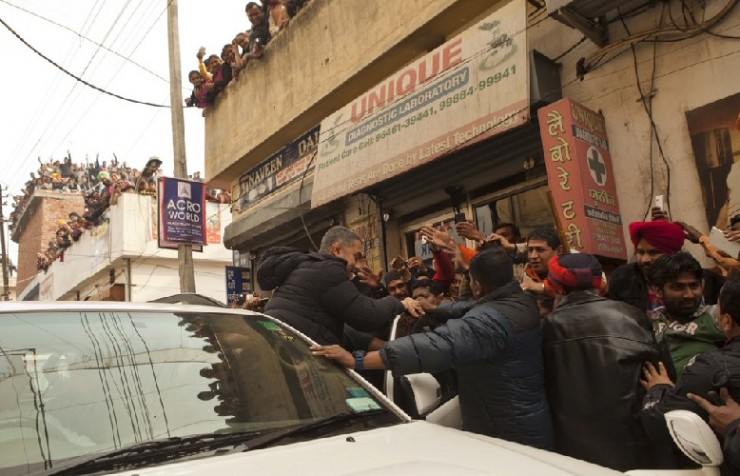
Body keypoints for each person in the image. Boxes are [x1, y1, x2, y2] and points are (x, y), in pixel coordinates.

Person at [312, 247, 553, 450]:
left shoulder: (487, 324)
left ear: (477, 284)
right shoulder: (519, 301)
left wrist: (358, 361)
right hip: (523, 418)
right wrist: (435, 309)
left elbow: (434, 346)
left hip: (507, 432)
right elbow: (468, 307)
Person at [542, 253, 660, 471]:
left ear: (558, 288)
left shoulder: (547, 327)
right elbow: (660, 376)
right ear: (600, 283)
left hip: (573, 450)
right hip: (632, 442)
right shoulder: (632, 315)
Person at [641, 273, 740, 474]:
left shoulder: (712, 367)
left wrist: (659, 390)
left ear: (726, 321)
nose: (688, 295)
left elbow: (661, 423)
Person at [257, 226, 422, 345]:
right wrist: (401, 303)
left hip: (285, 342)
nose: (357, 265)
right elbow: (365, 316)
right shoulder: (328, 269)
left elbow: (346, 330)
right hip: (294, 346)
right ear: (336, 249)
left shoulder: (310, 267)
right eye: (355, 256)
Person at [609, 220, 724, 318]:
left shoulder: (708, 281)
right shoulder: (623, 279)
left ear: (673, 253)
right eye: (640, 252)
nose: (645, 259)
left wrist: (704, 241)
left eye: (654, 252)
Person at [650, 252, 725, 381]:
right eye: (678, 287)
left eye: (694, 285)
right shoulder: (648, 325)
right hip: (664, 395)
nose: (689, 295)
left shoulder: (716, 317)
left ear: (702, 285)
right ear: (658, 291)